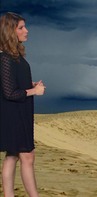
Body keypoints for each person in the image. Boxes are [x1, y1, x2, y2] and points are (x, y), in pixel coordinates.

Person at [0, 12, 45, 197]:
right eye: (21, 28)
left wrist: (30, 85)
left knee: (12, 156)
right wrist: (34, 92)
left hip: (20, 112)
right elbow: (9, 93)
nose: (26, 31)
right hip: (13, 114)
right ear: (10, 31)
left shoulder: (14, 55)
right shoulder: (5, 58)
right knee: (27, 156)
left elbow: (12, 84)